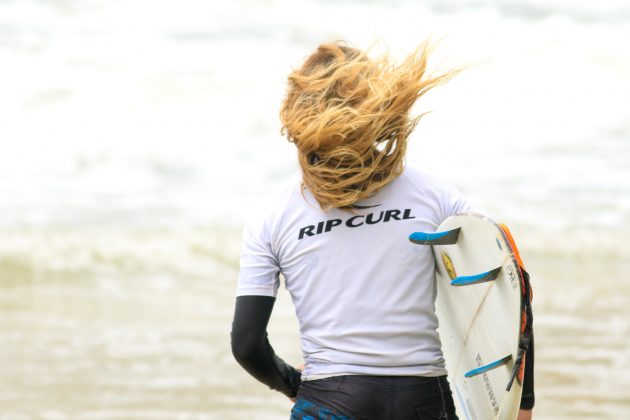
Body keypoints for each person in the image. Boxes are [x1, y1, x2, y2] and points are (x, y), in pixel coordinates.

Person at [231, 41, 534, 419]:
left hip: (330, 400)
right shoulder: (433, 195)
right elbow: (509, 285)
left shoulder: (272, 215)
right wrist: (520, 404)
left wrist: (295, 386)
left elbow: (246, 345)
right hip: (424, 401)